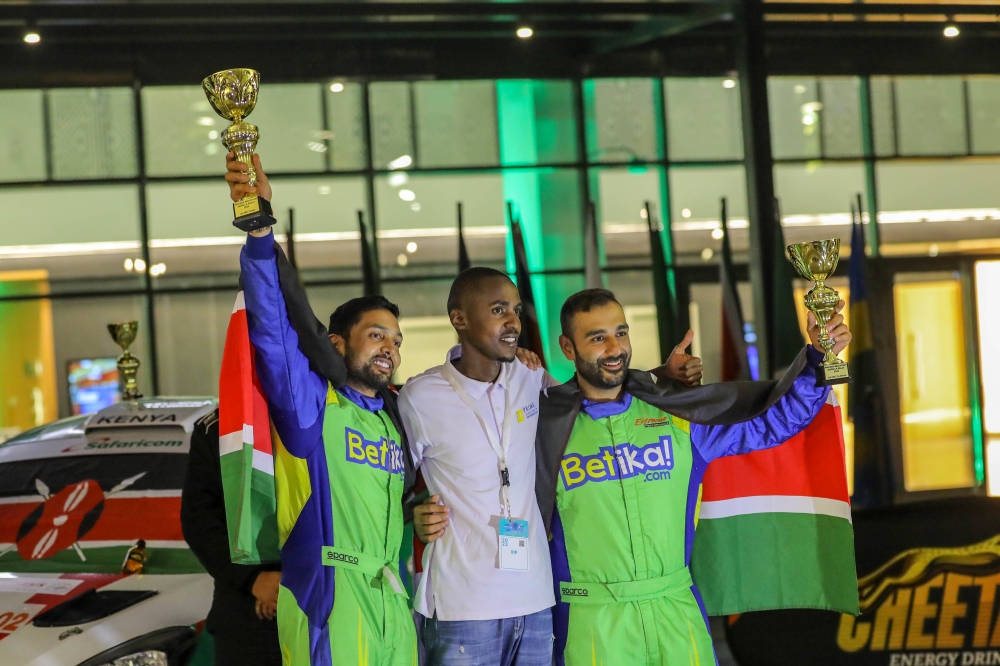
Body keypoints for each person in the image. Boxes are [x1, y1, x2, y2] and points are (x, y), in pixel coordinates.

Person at [534, 288, 852, 666]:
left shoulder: (677, 415)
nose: (615, 348)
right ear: (568, 348)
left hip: (676, 609)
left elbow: (773, 422)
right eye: (597, 337)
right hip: (592, 621)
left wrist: (817, 356)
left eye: (621, 332)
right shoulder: (541, 429)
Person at [225, 153, 418, 666]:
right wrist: (260, 229)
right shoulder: (310, 404)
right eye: (376, 336)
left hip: (392, 599)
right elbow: (273, 329)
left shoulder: (394, 418)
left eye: (396, 341)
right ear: (335, 344)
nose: (390, 349)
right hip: (328, 600)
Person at [181, 409, 282, 666]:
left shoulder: (335, 411)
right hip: (249, 620)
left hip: (327, 606)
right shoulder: (218, 427)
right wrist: (254, 579)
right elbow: (200, 520)